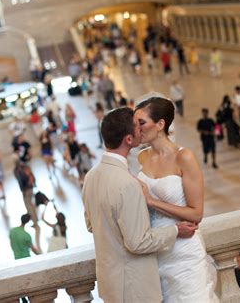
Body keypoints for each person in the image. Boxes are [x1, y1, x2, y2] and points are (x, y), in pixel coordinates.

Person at [82, 107, 197, 302]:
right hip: (135, 288)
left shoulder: (91, 176)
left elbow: (91, 225)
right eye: (137, 127)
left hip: (111, 284)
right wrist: (176, 230)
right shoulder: (127, 184)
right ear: (129, 139)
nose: (141, 130)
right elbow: (138, 242)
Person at [135, 97, 217, 302]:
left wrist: (151, 202)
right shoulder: (142, 157)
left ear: (160, 124)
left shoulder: (184, 157)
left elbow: (196, 213)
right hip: (157, 251)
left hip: (184, 251)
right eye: (134, 124)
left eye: (141, 123)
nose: (137, 128)